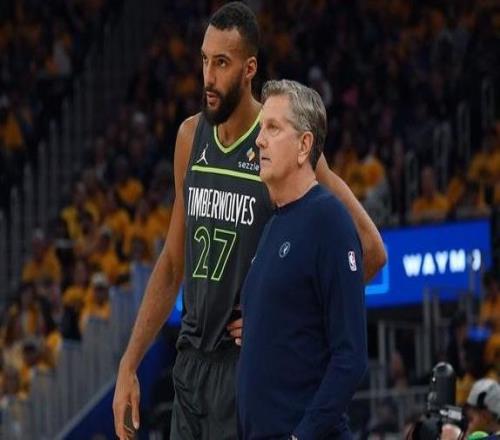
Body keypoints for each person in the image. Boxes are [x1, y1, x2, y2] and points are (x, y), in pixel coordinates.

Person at [112, 3, 386, 440]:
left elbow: (370, 250)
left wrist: (279, 322)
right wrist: (129, 363)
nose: (208, 76)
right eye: (204, 60)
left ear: (249, 68)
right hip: (190, 363)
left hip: (245, 369)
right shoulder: (189, 138)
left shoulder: (281, 145)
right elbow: (172, 263)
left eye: (221, 63)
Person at [237, 79, 367, 439]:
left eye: (273, 128)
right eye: (261, 128)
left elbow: (351, 357)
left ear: (304, 145)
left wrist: (302, 435)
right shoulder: (272, 226)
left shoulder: (329, 219)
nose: (259, 140)